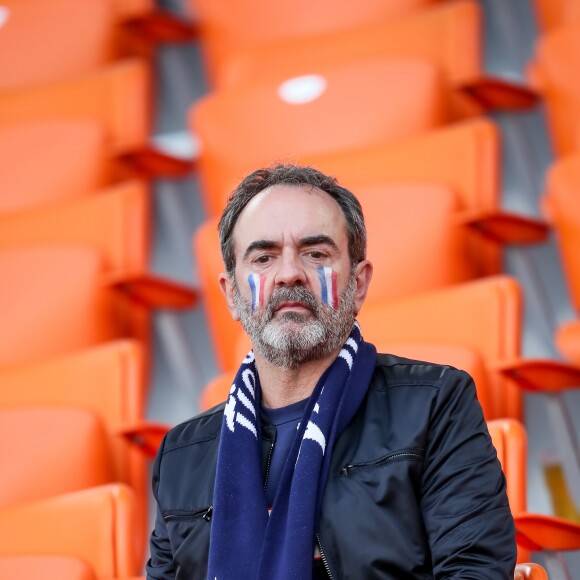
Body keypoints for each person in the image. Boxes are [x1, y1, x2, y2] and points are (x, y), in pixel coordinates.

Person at [146, 164, 517, 579]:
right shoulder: (181, 456)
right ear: (231, 294)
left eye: (316, 253)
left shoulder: (435, 404)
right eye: (264, 257)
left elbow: (475, 570)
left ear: (358, 283)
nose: (289, 274)